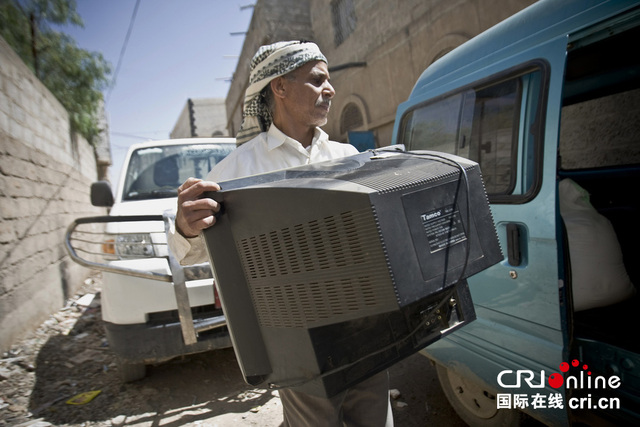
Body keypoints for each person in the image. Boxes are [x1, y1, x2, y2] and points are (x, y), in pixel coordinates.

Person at [168, 40, 394, 427]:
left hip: (366, 324)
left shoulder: (347, 157)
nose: (330, 89)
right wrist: (185, 227)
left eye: (329, 80)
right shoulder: (237, 171)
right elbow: (190, 254)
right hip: (298, 338)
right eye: (317, 79)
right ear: (280, 87)